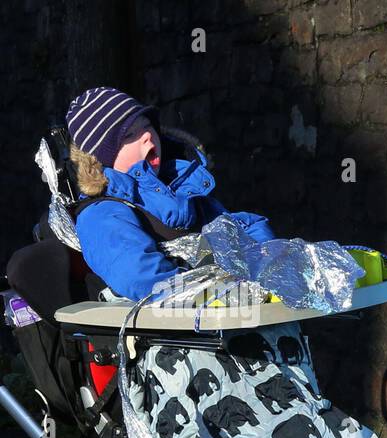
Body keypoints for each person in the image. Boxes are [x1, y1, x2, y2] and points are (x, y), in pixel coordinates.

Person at [65, 86, 274, 301]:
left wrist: (266, 266)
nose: (147, 135)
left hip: (232, 315)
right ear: (100, 159)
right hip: (180, 323)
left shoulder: (185, 192)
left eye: (148, 126)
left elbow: (245, 226)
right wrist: (217, 295)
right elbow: (138, 275)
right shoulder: (102, 214)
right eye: (129, 135)